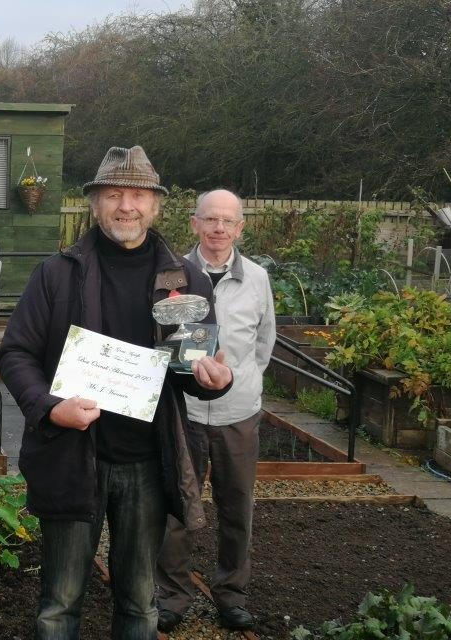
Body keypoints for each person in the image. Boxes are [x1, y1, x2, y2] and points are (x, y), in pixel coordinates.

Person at [0, 146, 233, 640]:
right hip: (71, 454)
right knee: (59, 603)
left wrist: (215, 379)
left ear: (156, 205)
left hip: (148, 460)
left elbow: (191, 369)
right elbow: (15, 354)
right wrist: (50, 408)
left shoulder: (184, 280)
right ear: (94, 204)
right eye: (113, 195)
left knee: (140, 602)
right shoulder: (56, 274)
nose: (126, 206)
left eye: (138, 196)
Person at [154, 189, 275, 632]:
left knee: (236, 508)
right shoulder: (174, 277)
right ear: (194, 224)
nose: (219, 228)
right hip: (183, 412)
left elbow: (264, 345)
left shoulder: (258, 279)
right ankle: (172, 595)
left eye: (228, 221)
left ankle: (230, 594)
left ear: (240, 227)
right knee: (178, 508)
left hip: (238, 415)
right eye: (210, 219)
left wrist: (238, 384)